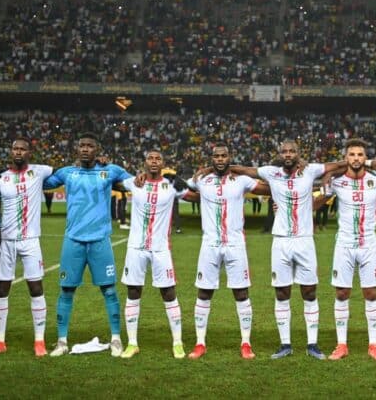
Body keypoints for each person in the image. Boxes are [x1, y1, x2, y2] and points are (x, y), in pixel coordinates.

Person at [230, 139, 346, 360]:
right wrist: (207, 168)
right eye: (285, 151)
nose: (288, 154)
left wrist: (331, 177)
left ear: (298, 153)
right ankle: (285, 344)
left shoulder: (310, 170)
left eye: (292, 151)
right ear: (280, 154)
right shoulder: (271, 172)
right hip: (281, 241)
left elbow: (339, 165)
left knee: (309, 291)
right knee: (282, 292)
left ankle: (312, 344)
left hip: (304, 240)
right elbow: (244, 170)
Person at [43, 132, 133, 357]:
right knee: (66, 289)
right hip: (73, 240)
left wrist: (112, 164)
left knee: (109, 290)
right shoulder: (67, 172)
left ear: (97, 149)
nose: (85, 149)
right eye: (81, 145)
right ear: (77, 149)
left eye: (89, 146)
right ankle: (62, 341)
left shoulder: (109, 171)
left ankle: (115, 339)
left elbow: (133, 181)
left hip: (100, 240)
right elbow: (38, 181)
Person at [186, 144, 270, 360]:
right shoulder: (201, 179)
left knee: (241, 293)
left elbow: (268, 188)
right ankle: (200, 343)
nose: (220, 159)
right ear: (211, 158)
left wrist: (242, 170)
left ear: (229, 157)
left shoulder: (241, 180)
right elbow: (181, 190)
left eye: (224, 156)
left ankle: (246, 343)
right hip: (210, 244)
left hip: (235, 244)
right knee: (204, 292)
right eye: (217, 156)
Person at [119, 150, 196, 359]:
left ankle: (178, 342)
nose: (154, 161)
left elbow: (196, 196)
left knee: (168, 293)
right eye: (150, 158)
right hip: (136, 247)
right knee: (133, 292)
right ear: (144, 162)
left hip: (161, 248)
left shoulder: (170, 185)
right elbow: (114, 179)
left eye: (158, 159)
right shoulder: (133, 183)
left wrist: (184, 183)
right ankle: (132, 343)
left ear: (163, 163)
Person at [0, 138, 53, 358]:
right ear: (10, 151)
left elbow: (67, 172)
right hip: (6, 240)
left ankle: (39, 340)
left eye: (23, 149)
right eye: (15, 148)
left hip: (31, 240)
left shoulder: (40, 171)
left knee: (36, 288)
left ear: (29, 153)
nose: (18, 151)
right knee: (1, 289)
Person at [322, 139, 376, 361]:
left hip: (369, 244)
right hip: (345, 244)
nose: (356, 158)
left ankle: (373, 344)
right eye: (352, 155)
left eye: (360, 155)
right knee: (342, 292)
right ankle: (342, 344)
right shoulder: (337, 183)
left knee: (371, 293)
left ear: (365, 158)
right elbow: (316, 200)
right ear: (346, 158)